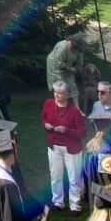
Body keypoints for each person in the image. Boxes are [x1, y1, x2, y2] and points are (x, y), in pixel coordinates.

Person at [41, 83, 86, 211]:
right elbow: (43, 118)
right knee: (55, 175)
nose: (56, 95)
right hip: (54, 146)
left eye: (60, 93)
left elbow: (82, 132)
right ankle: (57, 202)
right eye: (55, 92)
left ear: (67, 95)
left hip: (71, 148)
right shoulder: (48, 104)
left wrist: (66, 130)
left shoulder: (74, 111)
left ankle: (75, 205)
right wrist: (46, 125)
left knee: (74, 178)